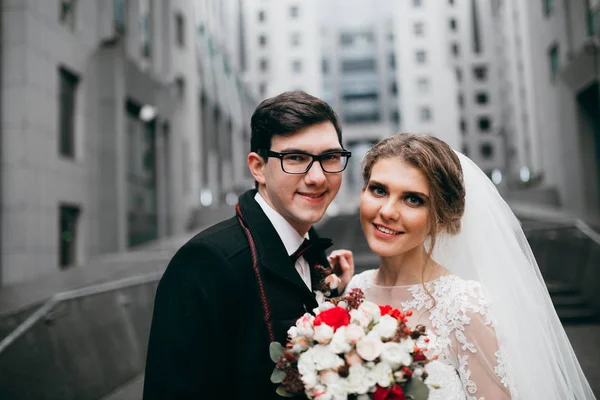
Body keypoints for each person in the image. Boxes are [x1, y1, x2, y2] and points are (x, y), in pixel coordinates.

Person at [343, 133, 595, 399]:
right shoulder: (354, 290)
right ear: (363, 191)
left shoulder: (463, 307)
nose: (388, 211)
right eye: (379, 190)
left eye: (413, 199)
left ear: (441, 218)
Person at [143, 92, 354, 399]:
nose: (318, 177)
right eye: (295, 158)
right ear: (258, 168)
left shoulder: (314, 251)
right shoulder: (206, 262)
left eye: (330, 158)